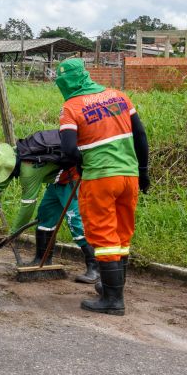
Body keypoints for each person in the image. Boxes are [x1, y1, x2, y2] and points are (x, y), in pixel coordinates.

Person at [56, 58, 149, 316]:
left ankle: (113, 300)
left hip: (100, 179)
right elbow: (141, 135)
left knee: (104, 236)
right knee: (122, 233)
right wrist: (144, 171)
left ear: (66, 82)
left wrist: (79, 163)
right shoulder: (119, 96)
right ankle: (113, 287)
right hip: (129, 176)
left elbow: (68, 150)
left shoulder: (71, 107)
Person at [0, 132, 99, 284]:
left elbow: (27, 208)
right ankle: (42, 259)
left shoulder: (28, 172)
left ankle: (95, 267)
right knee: (45, 216)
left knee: (75, 222)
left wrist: (13, 233)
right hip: (57, 181)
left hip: (72, 179)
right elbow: (11, 169)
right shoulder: (15, 151)